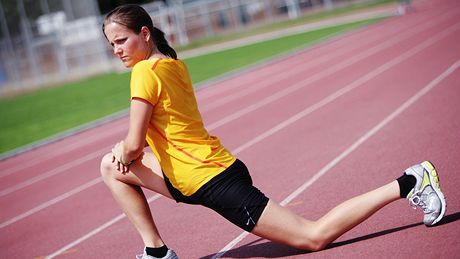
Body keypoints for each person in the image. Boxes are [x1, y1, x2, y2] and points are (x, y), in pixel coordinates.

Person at [99, 4, 446, 259]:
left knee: (314, 236)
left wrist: (124, 150)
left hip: (211, 180)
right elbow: (162, 127)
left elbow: (133, 145)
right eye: (111, 44)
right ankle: (157, 252)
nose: (116, 51)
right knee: (109, 168)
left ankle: (409, 182)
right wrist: (125, 153)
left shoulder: (144, 73)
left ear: (144, 33)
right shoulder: (172, 64)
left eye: (121, 41)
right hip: (190, 175)